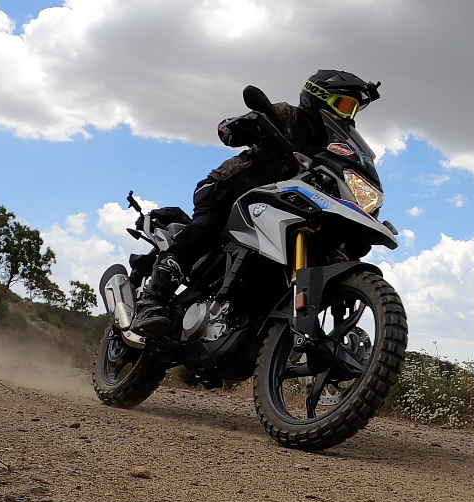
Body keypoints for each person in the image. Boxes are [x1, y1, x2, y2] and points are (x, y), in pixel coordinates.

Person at [129, 70, 382, 338]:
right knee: (207, 225)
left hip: (277, 206)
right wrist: (246, 125)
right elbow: (227, 130)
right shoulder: (288, 115)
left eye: (353, 109)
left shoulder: (334, 146)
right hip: (231, 188)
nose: (348, 115)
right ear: (319, 96)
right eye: (344, 105)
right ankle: (152, 299)